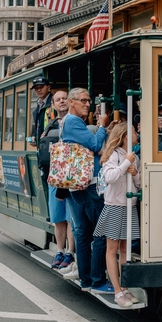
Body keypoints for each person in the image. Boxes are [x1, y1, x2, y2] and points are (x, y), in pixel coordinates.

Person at [62, 87, 111, 292]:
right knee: (98, 234)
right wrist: (102, 126)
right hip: (88, 186)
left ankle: (86, 280)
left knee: (82, 233)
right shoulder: (73, 121)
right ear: (72, 101)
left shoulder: (69, 122)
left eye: (89, 101)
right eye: (83, 100)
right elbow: (95, 143)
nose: (87, 104)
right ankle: (97, 281)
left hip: (76, 185)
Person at [94, 123, 140, 308]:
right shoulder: (114, 155)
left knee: (124, 250)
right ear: (126, 136)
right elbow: (110, 177)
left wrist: (135, 172)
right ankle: (117, 290)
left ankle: (125, 288)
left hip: (129, 206)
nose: (137, 134)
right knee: (112, 249)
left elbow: (139, 183)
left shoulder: (132, 156)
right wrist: (127, 163)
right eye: (135, 132)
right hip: (115, 206)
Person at [39, 90, 77, 272]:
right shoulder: (51, 124)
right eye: (58, 100)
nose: (61, 102)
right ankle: (60, 251)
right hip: (54, 177)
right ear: (53, 104)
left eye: (64, 99)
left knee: (70, 217)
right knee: (58, 217)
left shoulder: (75, 122)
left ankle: (70, 252)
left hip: (71, 177)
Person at [32, 76, 56, 146]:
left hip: (53, 144)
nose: (39, 90)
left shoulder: (55, 102)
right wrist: (34, 136)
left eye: (41, 87)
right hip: (43, 146)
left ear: (48, 87)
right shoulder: (38, 105)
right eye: (36, 88)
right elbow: (38, 126)